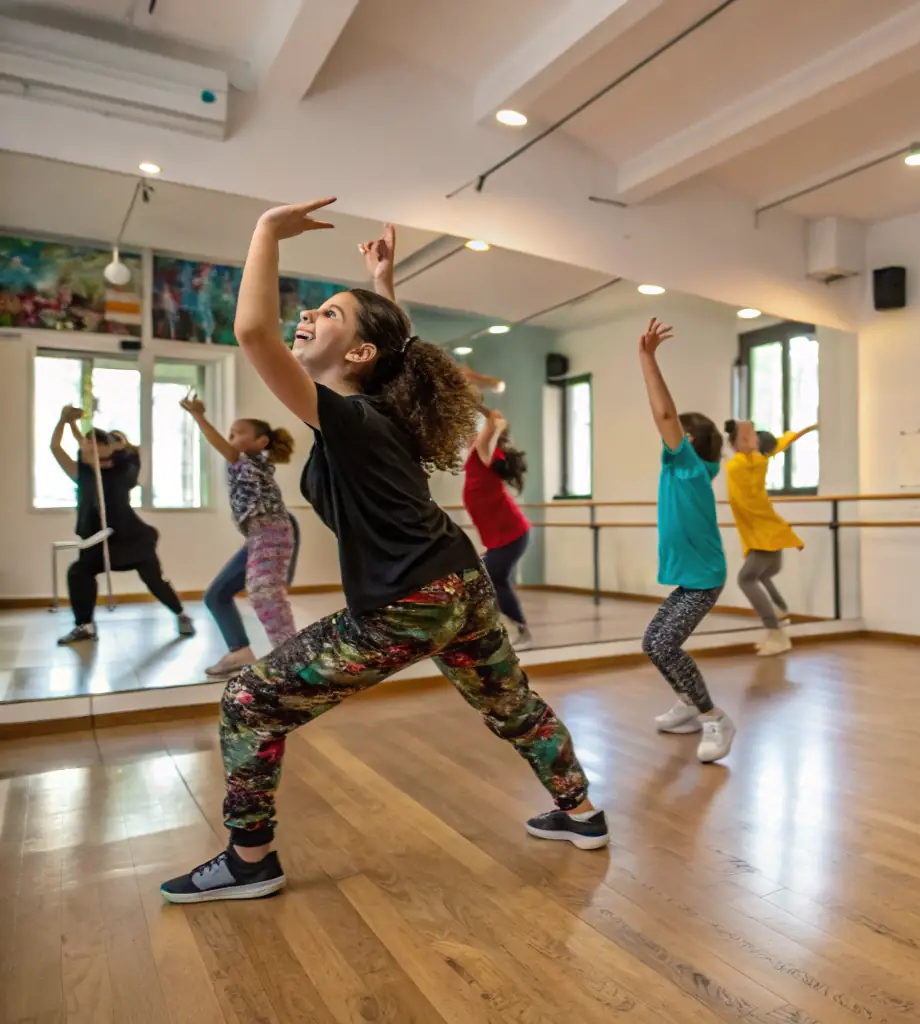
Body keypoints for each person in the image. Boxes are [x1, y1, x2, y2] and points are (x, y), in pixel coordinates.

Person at [160, 201, 605, 905]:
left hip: (409, 602)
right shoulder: (383, 411)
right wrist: (381, 284)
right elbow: (394, 358)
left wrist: (267, 230)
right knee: (511, 704)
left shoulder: (349, 416)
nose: (306, 316)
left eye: (327, 314)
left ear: (358, 354)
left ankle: (250, 860)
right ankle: (581, 813)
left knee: (248, 700)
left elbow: (251, 331)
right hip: (460, 583)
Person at [638, 318, 735, 763]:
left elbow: (664, 415)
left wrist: (647, 358)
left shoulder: (688, 466)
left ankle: (714, 717)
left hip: (703, 580)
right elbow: (669, 422)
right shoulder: (697, 470)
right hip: (697, 577)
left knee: (662, 645)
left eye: (676, 434)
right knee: (653, 642)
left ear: (687, 440)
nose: (664, 437)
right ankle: (686, 701)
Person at [49, 406, 193, 644]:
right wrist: (64, 421)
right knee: (79, 572)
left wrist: (111, 442)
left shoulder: (124, 470)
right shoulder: (82, 472)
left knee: (154, 580)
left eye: (110, 446)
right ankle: (85, 626)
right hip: (97, 539)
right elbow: (56, 447)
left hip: (131, 540)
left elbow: (127, 451)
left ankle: (181, 614)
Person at [181, 393, 301, 677]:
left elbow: (223, 447)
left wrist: (198, 415)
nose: (231, 437)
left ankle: (293, 660)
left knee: (265, 594)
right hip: (258, 536)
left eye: (238, 433)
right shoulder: (245, 463)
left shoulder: (250, 460)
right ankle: (239, 652)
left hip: (271, 532)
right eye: (230, 433)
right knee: (216, 595)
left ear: (261, 442)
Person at [723, 419, 817, 656]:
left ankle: (775, 631)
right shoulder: (759, 460)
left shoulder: (739, 465)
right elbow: (783, 442)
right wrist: (806, 428)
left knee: (746, 579)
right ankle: (780, 613)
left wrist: (743, 435)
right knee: (762, 574)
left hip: (764, 534)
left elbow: (761, 446)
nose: (751, 438)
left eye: (752, 436)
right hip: (769, 532)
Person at [464, 409, 534, 649]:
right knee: (493, 580)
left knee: (485, 578)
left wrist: (494, 423)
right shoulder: (483, 453)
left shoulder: (488, 452)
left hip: (512, 536)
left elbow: (486, 434)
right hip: (505, 538)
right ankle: (509, 629)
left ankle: (515, 631)